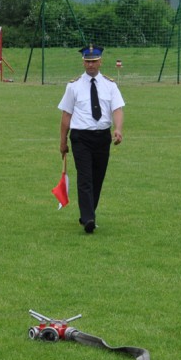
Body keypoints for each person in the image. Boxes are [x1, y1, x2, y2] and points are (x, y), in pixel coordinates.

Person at [58, 45, 125, 233]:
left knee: (97, 178)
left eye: (94, 61)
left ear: (100, 62)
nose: (90, 65)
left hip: (102, 137)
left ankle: (88, 213)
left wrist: (118, 129)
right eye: (87, 61)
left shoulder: (110, 85)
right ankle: (88, 218)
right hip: (81, 137)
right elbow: (66, 115)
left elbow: (117, 109)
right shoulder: (73, 86)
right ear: (83, 62)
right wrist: (63, 141)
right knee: (85, 177)